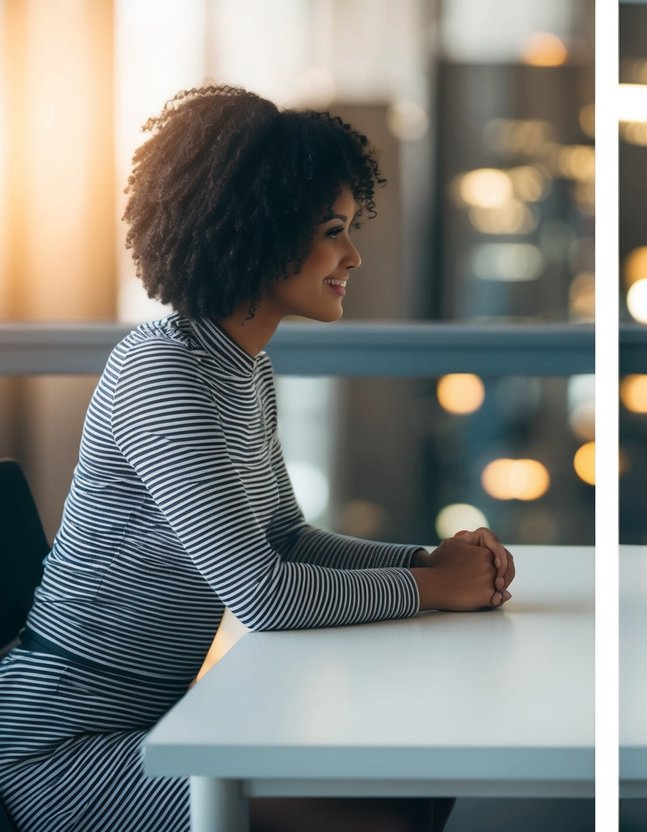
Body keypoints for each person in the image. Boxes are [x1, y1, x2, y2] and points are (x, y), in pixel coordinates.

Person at [0, 85, 515, 832]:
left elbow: (286, 541)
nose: (353, 255)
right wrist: (434, 586)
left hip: (162, 725)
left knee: (419, 783)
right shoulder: (161, 372)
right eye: (333, 230)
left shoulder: (244, 369)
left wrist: (425, 556)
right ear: (263, 229)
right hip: (58, 751)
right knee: (391, 813)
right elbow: (266, 598)